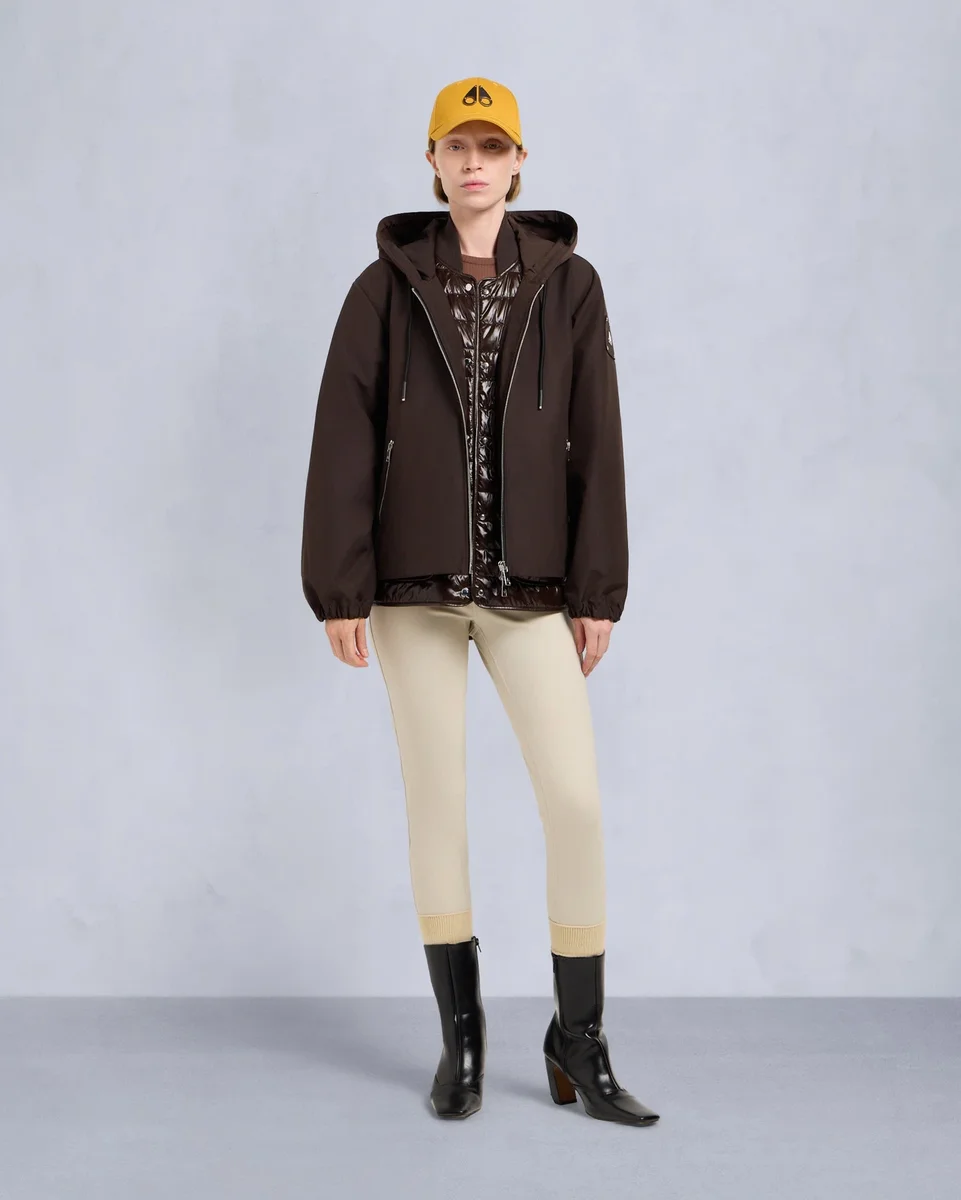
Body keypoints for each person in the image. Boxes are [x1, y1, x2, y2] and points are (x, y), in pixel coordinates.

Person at [301, 76, 659, 1127]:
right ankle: (461, 1042)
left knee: (574, 802)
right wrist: (338, 584)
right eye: (456, 147)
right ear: (431, 162)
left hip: (532, 590)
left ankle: (578, 1039)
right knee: (437, 804)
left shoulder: (569, 284)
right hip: (410, 590)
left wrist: (597, 587)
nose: (473, 163)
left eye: (490, 147)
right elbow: (343, 435)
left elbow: (596, 436)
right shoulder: (382, 290)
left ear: (518, 163)